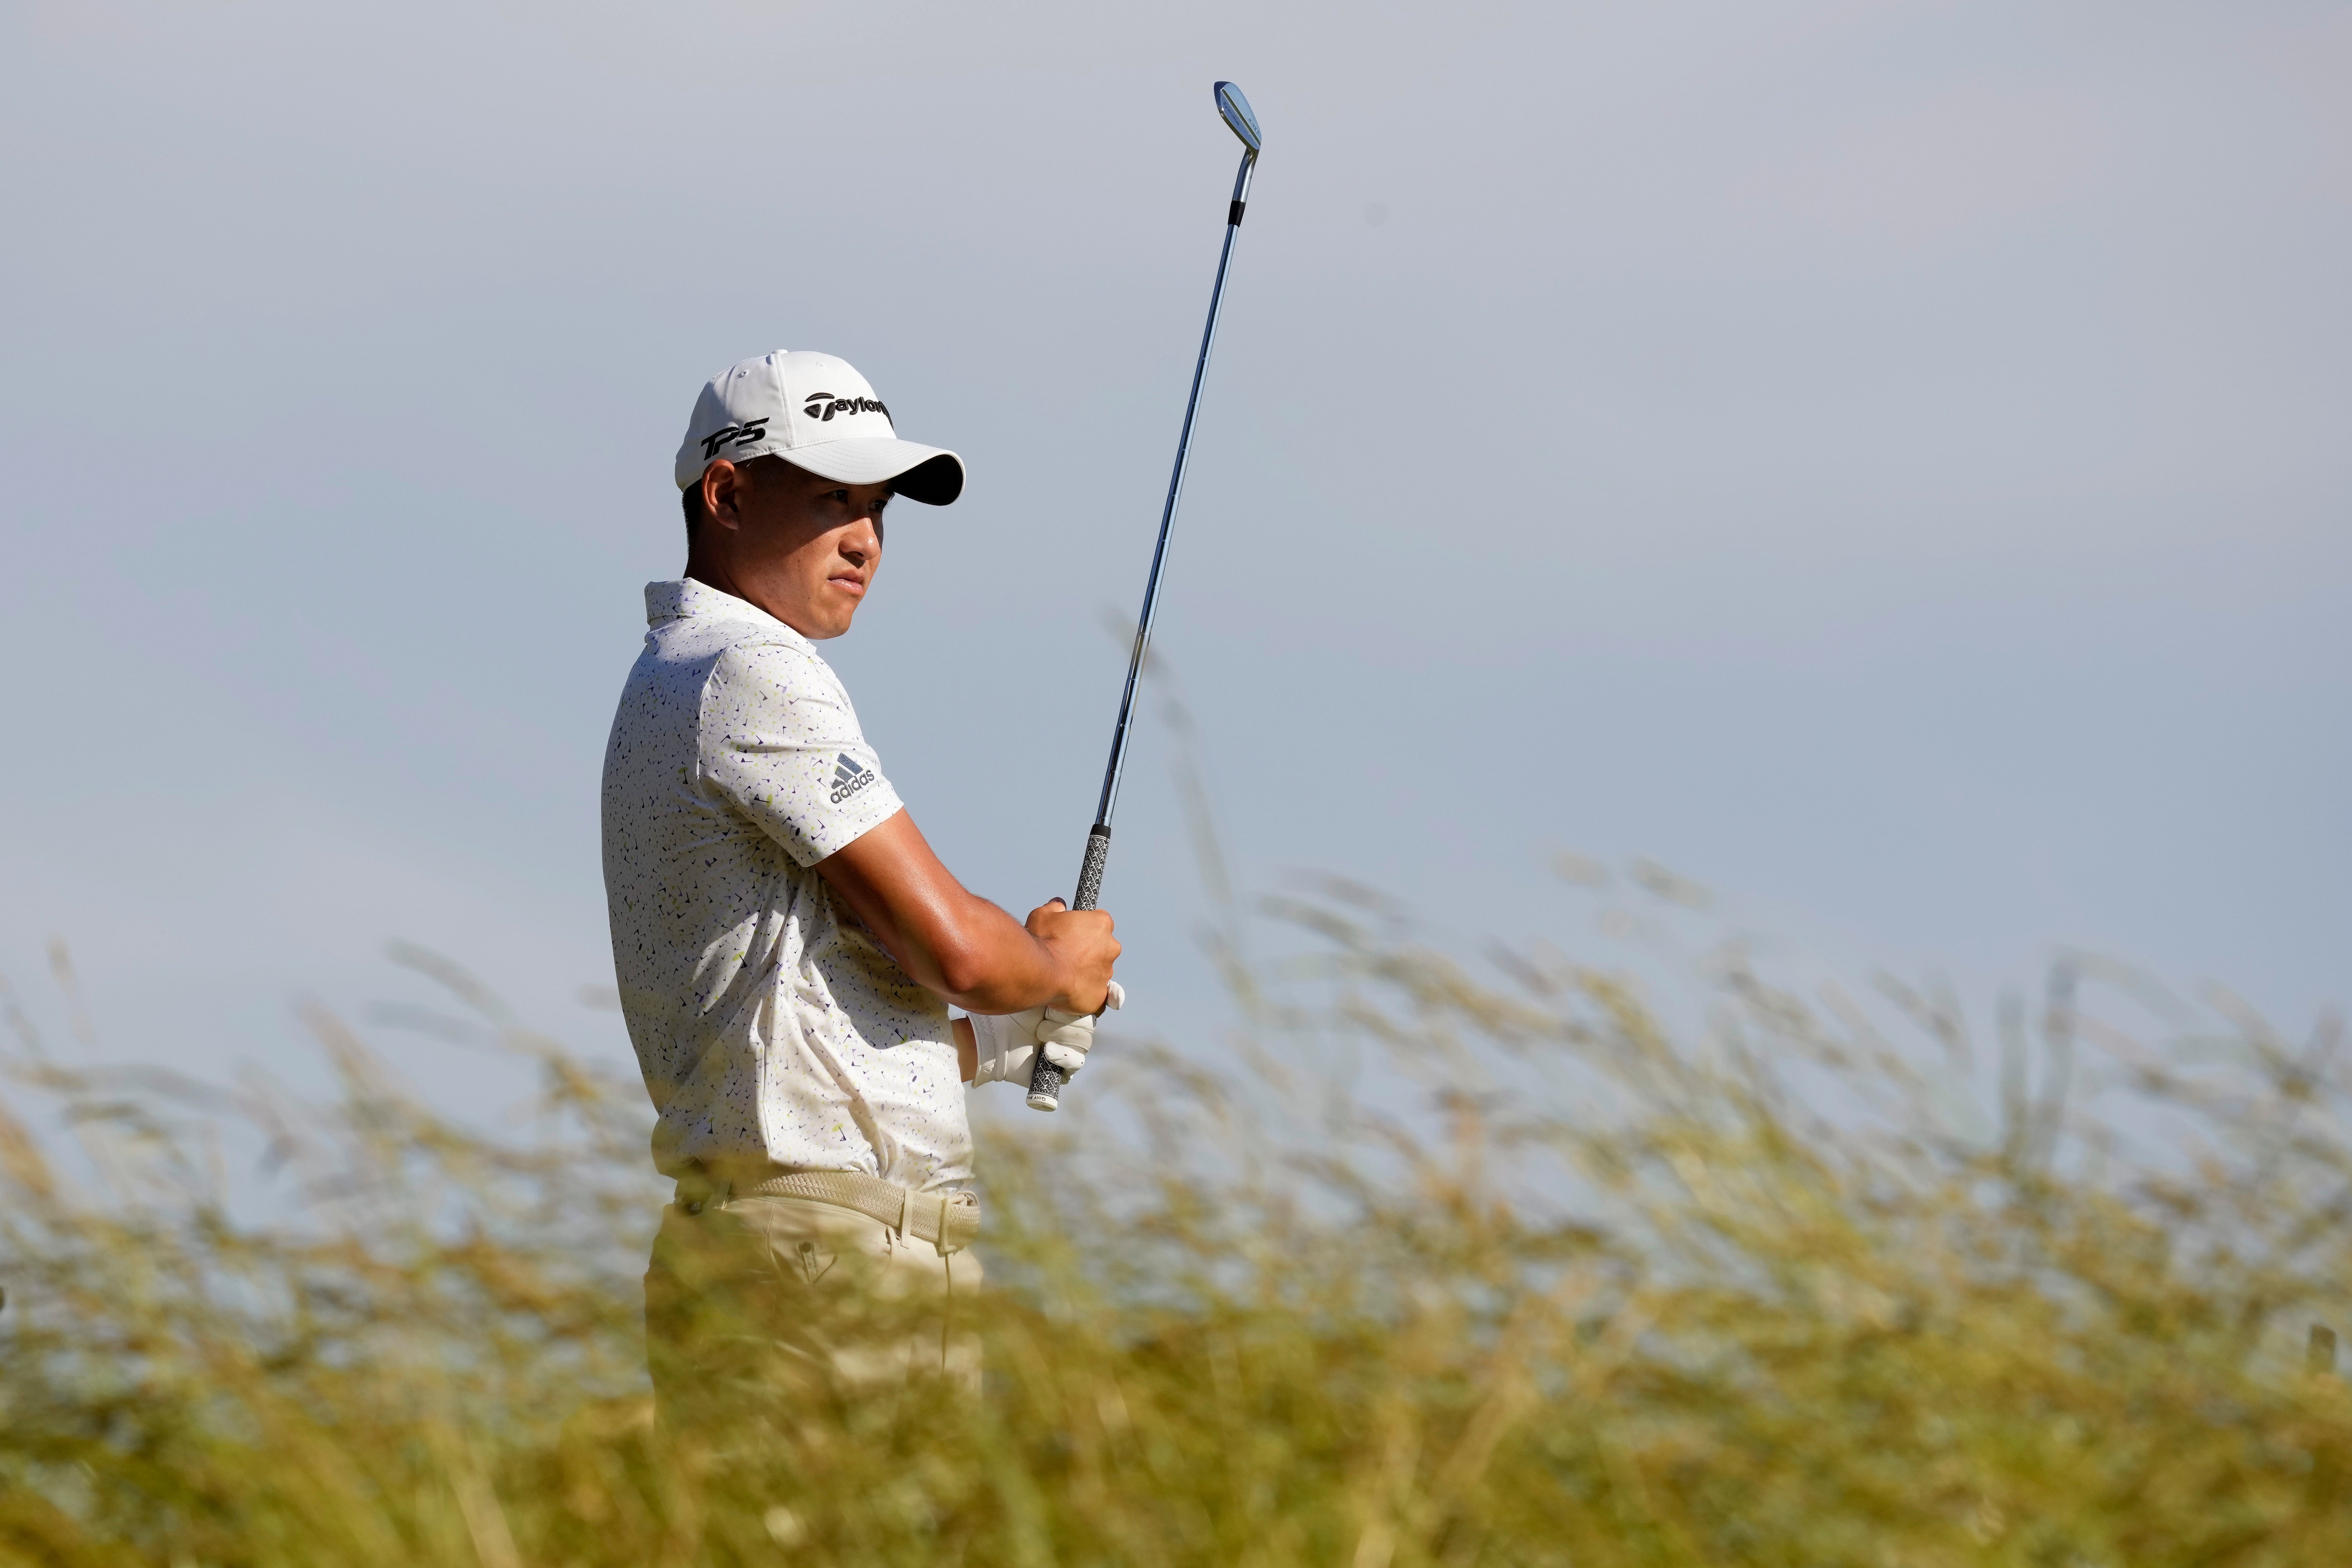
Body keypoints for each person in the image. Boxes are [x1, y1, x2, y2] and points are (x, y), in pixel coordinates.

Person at [600, 350, 1122, 1422]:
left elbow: (803, 1022)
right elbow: (964, 954)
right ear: (728, 493)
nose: (866, 541)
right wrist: (1053, 972)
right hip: (820, 1266)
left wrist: (1003, 1040)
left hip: (797, 1257)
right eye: (833, 499)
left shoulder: (683, 675)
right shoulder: (750, 669)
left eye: (878, 510)